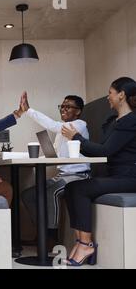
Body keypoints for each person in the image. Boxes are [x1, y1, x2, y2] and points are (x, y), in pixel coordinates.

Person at [61, 77, 136, 266]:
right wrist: (76, 140)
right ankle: (80, 242)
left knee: (79, 189)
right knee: (71, 188)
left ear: (121, 95)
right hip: (115, 175)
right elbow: (101, 149)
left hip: (129, 177)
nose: (108, 98)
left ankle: (86, 245)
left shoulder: (131, 121)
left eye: (110, 93)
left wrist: (76, 137)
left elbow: (105, 151)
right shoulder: (113, 121)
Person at [21, 93, 91, 245]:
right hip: (62, 176)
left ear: (78, 111)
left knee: (51, 192)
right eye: (62, 106)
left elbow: (53, 125)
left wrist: (28, 110)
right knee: (28, 195)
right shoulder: (62, 133)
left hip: (78, 176)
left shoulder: (79, 125)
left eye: (68, 107)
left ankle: (52, 237)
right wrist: (29, 158)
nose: (63, 109)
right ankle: (41, 233)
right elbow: (53, 156)